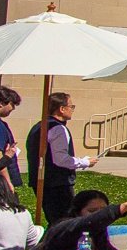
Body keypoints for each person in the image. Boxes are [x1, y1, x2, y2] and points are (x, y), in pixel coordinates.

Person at [28, 91, 91, 222]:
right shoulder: (58, 129)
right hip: (57, 184)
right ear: (62, 109)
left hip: (42, 181)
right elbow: (61, 159)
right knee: (64, 221)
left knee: (55, 220)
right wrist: (85, 162)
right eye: (71, 106)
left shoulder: (38, 126)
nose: (72, 110)